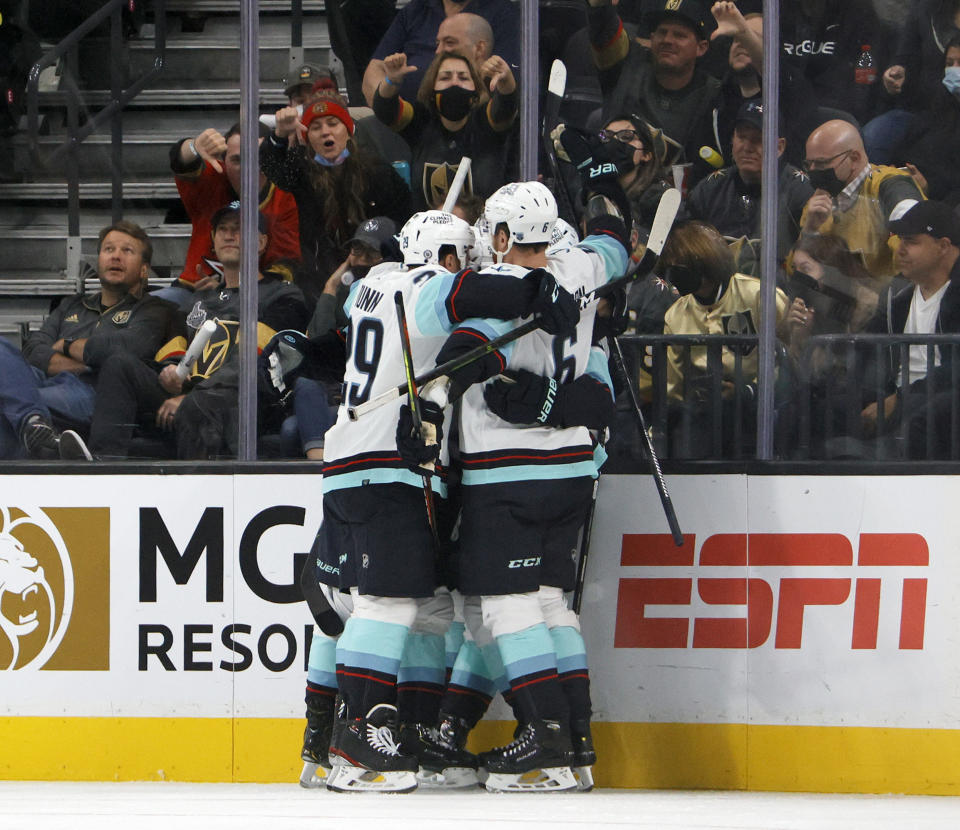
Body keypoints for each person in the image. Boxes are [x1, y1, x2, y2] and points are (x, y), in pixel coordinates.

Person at [309, 207, 580, 792]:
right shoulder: (421, 288)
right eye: (464, 258)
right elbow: (471, 292)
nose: (469, 268)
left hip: (349, 463)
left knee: (412, 607)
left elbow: (339, 348)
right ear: (448, 258)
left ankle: (374, 735)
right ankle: (357, 742)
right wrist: (539, 286)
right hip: (390, 465)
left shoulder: (368, 289)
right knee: (387, 606)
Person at [410, 153, 634, 790]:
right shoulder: (582, 269)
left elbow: (454, 347)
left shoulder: (501, 289)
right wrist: (598, 174)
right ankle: (576, 744)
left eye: (491, 230)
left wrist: (450, 383)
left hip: (508, 473)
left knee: (505, 606)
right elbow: (616, 241)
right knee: (548, 606)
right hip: (569, 470)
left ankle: (546, 738)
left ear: (504, 235)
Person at [85, 203, 308, 460]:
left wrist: (192, 395)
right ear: (213, 242)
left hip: (243, 403)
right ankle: (103, 465)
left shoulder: (282, 295)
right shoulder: (198, 299)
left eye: (239, 229)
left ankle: (194, 493)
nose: (229, 235)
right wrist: (170, 373)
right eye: (222, 229)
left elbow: (256, 359)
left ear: (260, 242)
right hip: (192, 398)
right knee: (119, 364)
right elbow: (175, 347)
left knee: (201, 404)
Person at [0, 221, 182, 460]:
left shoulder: (155, 309)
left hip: (93, 390)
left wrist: (65, 344)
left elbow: (125, 349)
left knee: (8, 405)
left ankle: (30, 422)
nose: (116, 256)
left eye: (127, 251)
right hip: (43, 379)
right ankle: (33, 424)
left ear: (144, 269)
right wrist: (86, 360)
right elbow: (34, 350)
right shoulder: (71, 304)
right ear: (98, 260)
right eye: (109, 250)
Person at [260, 90, 411, 309]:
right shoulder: (302, 173)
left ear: (349, 131)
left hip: (377, 280)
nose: (325, 132)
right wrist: (280, 134)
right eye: (316, 127)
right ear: (307, 138)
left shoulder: (378, 172)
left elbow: (402, 221)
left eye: (333, 123)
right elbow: (272, 166)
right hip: (318, 284)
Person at [658, 220, 789, 458]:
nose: (674, 275)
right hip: (704, 415)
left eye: (680, 267)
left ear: (702, 262)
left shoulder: (759, 295)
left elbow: (787, 357)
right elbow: (674, 386)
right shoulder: (675, 314)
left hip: (757, 408)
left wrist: (748, 390)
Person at [860, 200, 960, 459]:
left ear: (944, 246)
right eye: (899, 240)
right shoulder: (899, 299)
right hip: (900, 396)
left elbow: (955, 372)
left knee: (920, 418)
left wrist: (900, 399)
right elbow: (866, 351)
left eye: (912, 241)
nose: (900, 250)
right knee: (821, 408)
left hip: (939, 403)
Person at [166, 121, 301, 307]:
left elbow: (286, 266)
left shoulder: (284, 197)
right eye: (237, 160)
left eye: (258, 158)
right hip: (193, 290)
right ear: (224, 161)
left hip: (255, 299)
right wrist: (193, 146)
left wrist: (229, 289)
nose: (248, 169)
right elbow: (181, 163)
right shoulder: (213, 179)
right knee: (157, 307)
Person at [588, 0, 721, 185]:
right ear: (651, 38)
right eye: (662, 32)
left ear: (701, 47)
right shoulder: (625, 66)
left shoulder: (713, 96)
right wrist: (600, 7)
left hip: (676, 207)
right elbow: (604, 31)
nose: (667, 40)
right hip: (610, 193)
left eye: (679, 35)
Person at [373, 49, 517, 211]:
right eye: (445, 77)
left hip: (482, 232)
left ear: (476, 91)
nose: (455, 83)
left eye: (463, 77)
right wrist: (391, 80)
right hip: (428, 232)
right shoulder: (420, 122)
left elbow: (506, 106)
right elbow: (384, 109)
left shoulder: (486, 121)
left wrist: (506, 81)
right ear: (432, 89)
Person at [686, 101, 813, 268]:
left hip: (777, 290)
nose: (747, 147)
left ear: (779, 147)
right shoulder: (711, 188)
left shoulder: (799, 190)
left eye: (758, 139)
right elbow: (687, 246)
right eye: (742, 137)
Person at [799, 119, 924, 282]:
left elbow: (918, 252)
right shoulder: (817, 201)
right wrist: (810, 230)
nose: (813, 171)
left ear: (854, 158)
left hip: (885, 299)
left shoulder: (889, 184)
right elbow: (796, 272)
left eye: (822, 163)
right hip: (830, 299)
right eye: (809, 165)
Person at [362, 0, 519, 106]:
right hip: (403, 122)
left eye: (449, 43)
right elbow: (375, 68)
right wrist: (392, 111)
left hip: (469, 125)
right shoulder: (416, 9)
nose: (439, 51)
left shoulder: (504, 14)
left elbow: (504, 87)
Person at [892, 35, 960, 208]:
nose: (954, 70)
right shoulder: (937, 105)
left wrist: (928, 188)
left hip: (940, 206)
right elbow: (905, 149)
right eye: (949, 63)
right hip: (905, 187)